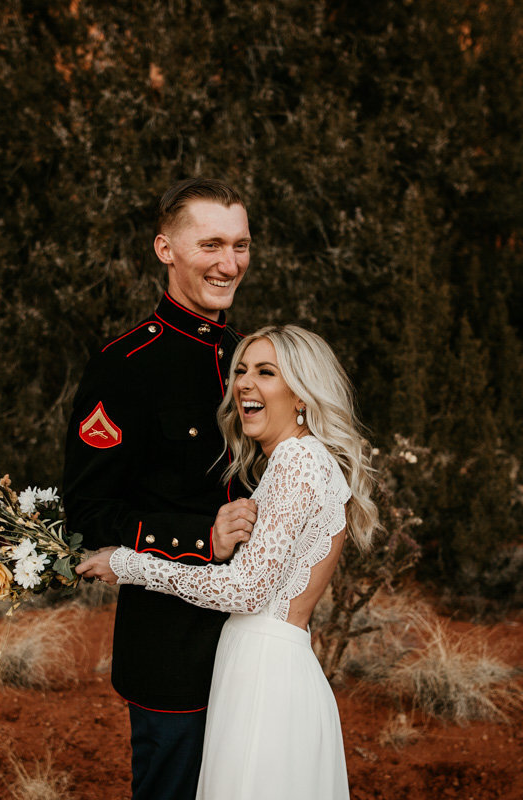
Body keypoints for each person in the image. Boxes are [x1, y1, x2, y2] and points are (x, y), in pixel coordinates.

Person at [78, 325, 381, 800]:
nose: (243, 383)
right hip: (269, 664)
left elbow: (244, 590)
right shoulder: (300, 461)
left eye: (265, 372)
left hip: (264, 674)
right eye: (240, 370)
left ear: (302, 394)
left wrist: (128, 564)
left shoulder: (297, 463)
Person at [62, 178, 258, 800]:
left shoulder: (251, 359)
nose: (229, 264)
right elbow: (91, 511)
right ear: (165, 249)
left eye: (242, 245)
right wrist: (205, 537)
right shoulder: (125, 367)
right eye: (211, 245)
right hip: (173, 644)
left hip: (257, 637)